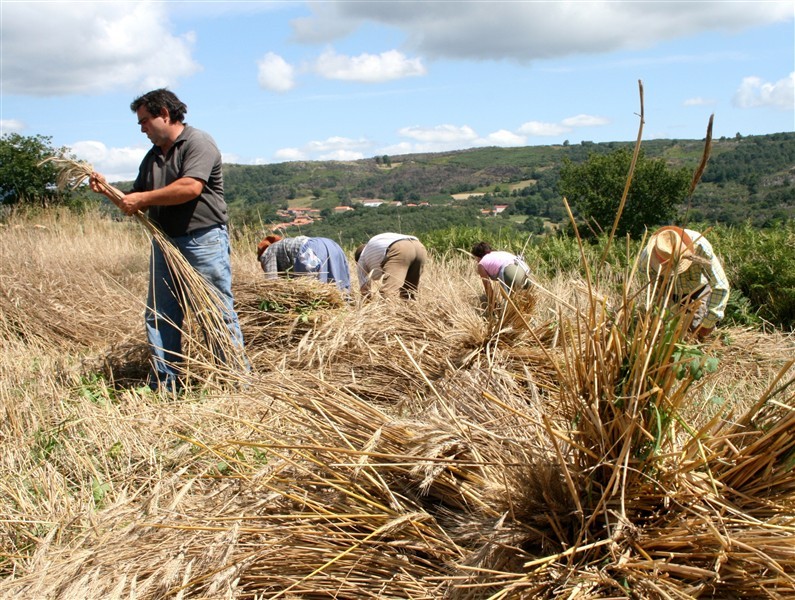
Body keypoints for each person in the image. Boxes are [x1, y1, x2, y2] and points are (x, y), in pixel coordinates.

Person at [90, 88, 246, 392]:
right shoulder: (152, 157)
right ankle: (167, 385)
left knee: (215, 311)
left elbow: (190, 187)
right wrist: (107, 190)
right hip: (165, 242)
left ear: (165, 113)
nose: (142, 128)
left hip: (202, 240)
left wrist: (141, 197)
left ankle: (234, 382)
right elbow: (135, 201)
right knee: (161, 315)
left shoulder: (198, 142)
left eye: (145, 120)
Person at [639, 226, 730, 339]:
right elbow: (656, 289)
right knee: (667, 334)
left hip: (699, 289)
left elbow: (720, 286)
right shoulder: (646, 260)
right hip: (670, 292)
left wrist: (708, 323)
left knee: (698, 332)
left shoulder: (700, 246)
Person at [257, 234, 351, 293]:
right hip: (330, 244)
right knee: (338, 287)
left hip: (309, 250)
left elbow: (271, 283)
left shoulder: (267, 252)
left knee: (310, 292)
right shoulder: (285, 244)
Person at [354, 233, 427, 299]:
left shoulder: (361, 259)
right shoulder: (372, 250)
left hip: (399, 249)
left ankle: (390, 313)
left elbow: (365, 292)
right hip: (419, 247)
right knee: (407, 294)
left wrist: (367, 309)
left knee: (389, 295)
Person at [471, 241, 532, 308]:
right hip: (524, 271)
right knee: (526, 302)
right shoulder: (499, 253)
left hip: (510, 273)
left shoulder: (481, 264)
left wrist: (493, 306)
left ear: (477, 256)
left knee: (511, 306)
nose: (476, 260)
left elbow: (488, 288)